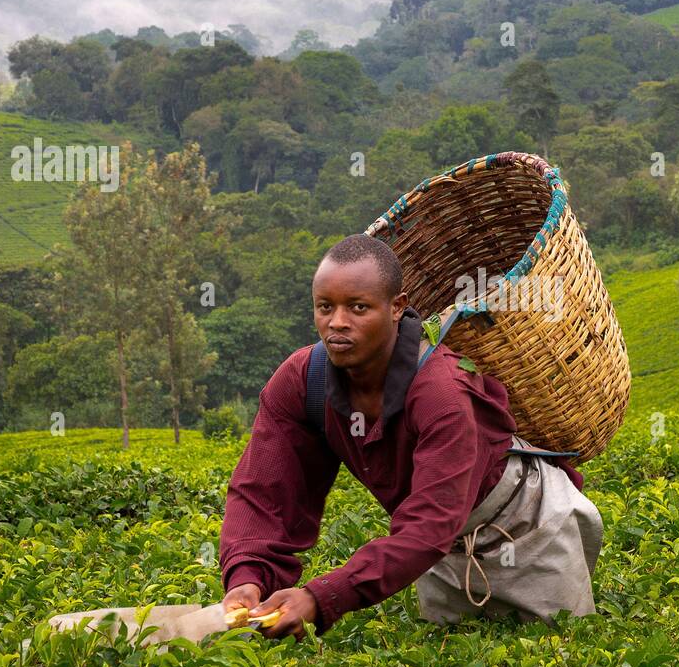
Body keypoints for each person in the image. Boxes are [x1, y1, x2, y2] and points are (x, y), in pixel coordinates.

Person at [219, 234, 603, 641]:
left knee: (558, 660)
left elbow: (429, 523)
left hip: (526, 525)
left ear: (397, 307)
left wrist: (321, 597)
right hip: (438, 551)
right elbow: (264, 491)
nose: (337, 323)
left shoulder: (442, 393)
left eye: (358, 307)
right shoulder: (302, 381)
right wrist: (248, 573)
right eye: (325, 307)